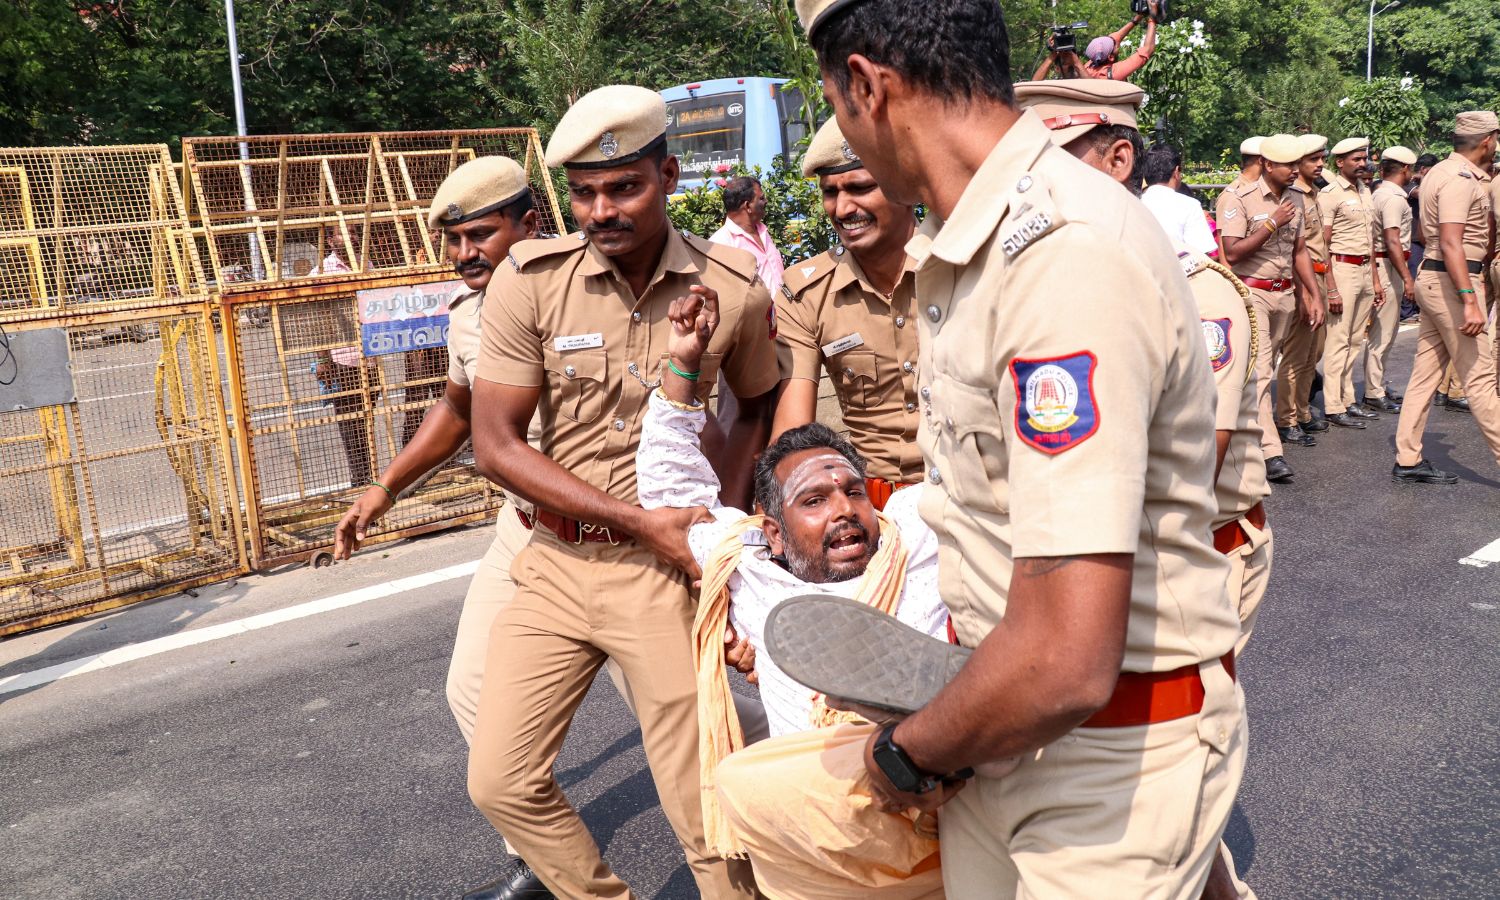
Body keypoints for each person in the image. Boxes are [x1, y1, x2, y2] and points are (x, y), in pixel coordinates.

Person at [786, 4, 1250, 898]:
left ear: (869, 85)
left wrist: (907, 754)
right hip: (1000, 739)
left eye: (836, 103)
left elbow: (1067, 655)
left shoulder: (1059, 255)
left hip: (1102, 761)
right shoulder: (974, 246)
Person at [466, 83, 778, 899]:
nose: (601, 210)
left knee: (707, 814)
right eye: (583, 193)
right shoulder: (530, 281)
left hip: (665, 577)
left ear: (668, 175)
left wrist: (725, 522)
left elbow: (760, 402)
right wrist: (639, 520)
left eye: (623, 187)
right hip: (556, 565)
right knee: (500, 782)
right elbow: (495, 446)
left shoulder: (733, 284)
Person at [1015, 77, 1268, 899]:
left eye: (1054, 152)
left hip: (1195, 553)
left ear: (1117, 157)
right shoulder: (1039, 272)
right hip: (1093, 573)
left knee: (1169, 757)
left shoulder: (1192, 289)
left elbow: (1200, 458)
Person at [329, 156, 586, 900]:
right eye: (454, 241)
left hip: (612, 532)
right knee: (471, 685)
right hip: (525, 529)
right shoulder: (467, 315)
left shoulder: (585, 292)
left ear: (529, 225)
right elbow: (455, 408)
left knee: (681, 714)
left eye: (482, 234)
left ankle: (761, 832)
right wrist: (384, 487)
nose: (467, 253)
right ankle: (542, 858)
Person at [635, 289, 948, 899]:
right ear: (773, 533)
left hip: (938, 824)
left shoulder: (916, 535)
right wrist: (683, 364)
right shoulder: (751, 568)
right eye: (814, 500)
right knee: (750, 786)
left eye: (853, 491)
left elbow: (970, 468)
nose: (844, 511)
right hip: (820, 847)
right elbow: (672, 484)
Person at [771, 115, 923, 506]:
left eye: (860, 187)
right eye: (830, 192)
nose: (842, 208)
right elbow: (793, 434)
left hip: (975, 502)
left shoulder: (960, 266)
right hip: (876, 513)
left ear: (904, 183)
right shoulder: (806, 292)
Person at [1392, 111, 1500, 483]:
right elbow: (1453, 242)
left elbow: (1425, 233)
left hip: (1438, 279)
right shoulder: (1459, 179)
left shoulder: (1438, 171)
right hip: (1453, 282)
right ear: (1488, 139)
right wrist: (1469, 298)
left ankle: (1407, 458)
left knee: (1425, 374)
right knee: (1481, 377)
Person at [1218, 134, 1321, 486]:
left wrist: (1313, 293)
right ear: (1266, 164)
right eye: (1288, 165)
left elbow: (1300, 251)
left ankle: (1240, 435)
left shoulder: (1295, 198)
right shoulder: (1237, 197)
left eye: (1297, 164)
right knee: (1262, 372)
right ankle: (1270, 452)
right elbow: (1231, 253)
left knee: (1263, 372)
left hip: (1284, 296)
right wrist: (1271, 223)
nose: (1295, 171)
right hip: (1252, 294)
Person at [1317, 137, 1385, 429]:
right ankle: (1333, 405)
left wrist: (1376, 280)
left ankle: (1348, 399)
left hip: (1364, 269)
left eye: (1363, 158)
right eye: (1355, 159)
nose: (1362, 163)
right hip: (1341, 268)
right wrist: (1330, 285)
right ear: (1339, 163)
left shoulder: (1365, 191)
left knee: (1356, 340)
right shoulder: (1330, 194)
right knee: (1338, 339)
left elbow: (1370, 240)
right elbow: (1323, 244)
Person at [1275, 133, 1331, 451]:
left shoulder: (1311, 194)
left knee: (1312, 353)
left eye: (1321, 158)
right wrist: (1305, 294)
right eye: (1313, 159)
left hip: (1318, 279)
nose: (1320, 164)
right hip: (1302, 282)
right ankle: (1286, 419)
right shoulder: (1293, 196)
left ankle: (1302, 411)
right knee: (1295, 355)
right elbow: (1295, 252)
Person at [1363, 145, 1419, 412]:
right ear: (1406, 169)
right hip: (1388, 264)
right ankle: (1374, 391)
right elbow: (1393, 240)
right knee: (1383, 332)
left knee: (1383, 330)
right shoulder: (1394, 198)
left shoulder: (1378, 193)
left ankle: (1378, 386)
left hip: (1383, 263)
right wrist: (1407, 278)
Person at [1033, 1, 1159, 82]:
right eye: (1115, 45)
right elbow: (1147, 50)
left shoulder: (1089, 65)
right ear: (1110, 57)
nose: (1116, 40)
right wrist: (1153, 18)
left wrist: (1138, 17)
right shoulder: (1112, 73)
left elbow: (1117, 36)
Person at [710, 175, 786, 293]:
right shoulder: (721, 243)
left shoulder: (763, 232)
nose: (766, 201)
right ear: (747, 206)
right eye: (761, 198)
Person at [1142, 145, 1218, 255]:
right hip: (1177, 271)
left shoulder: (1133, 202)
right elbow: (1201, 254)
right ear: (1177, 172)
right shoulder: (1190, 205)